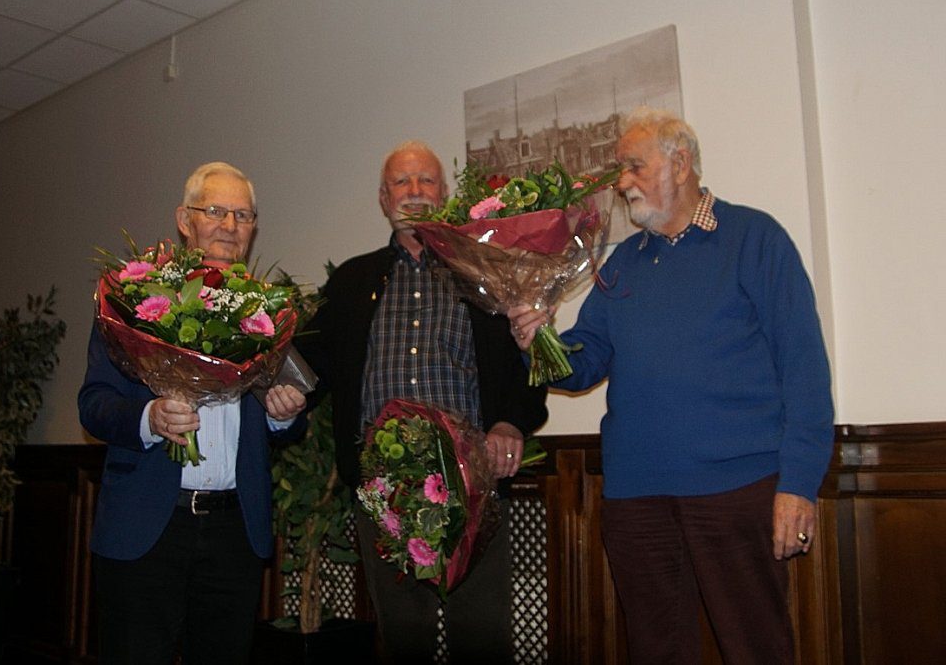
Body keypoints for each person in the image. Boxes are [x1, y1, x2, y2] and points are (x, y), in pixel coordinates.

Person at [508, 108, 834, 664]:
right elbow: (581, 366)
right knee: (656, 651)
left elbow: (804, 369)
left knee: (757, 649)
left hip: (737, 490)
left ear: (680, 164)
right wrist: (538, 339)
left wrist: (799, 484)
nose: (622, 182)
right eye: (620, 169)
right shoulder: (624, 265)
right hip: (636, 500)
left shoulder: (754, 238)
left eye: (634, 166)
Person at [297, 141, 548, 663]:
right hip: (381, 492)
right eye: (401, 183)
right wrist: (281, 387)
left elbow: (528, 363)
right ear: (383, 199)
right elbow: (308, 362)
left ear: (444, 192)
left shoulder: (486, 270)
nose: (414, 192)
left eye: (426, 181)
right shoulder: (349, 281)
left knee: (481, 642)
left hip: (474, 484)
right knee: (402, 642)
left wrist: (510, 422)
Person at [78, 161, 307, 665]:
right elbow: (94, 405)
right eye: (216, 211)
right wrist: (150, 417)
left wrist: (283, 414)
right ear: (185, 219)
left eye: (243, 215)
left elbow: (286, 425)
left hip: (233, 533)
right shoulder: (133, 302)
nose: (230, 226)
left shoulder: (264, 313)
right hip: (148, 525)